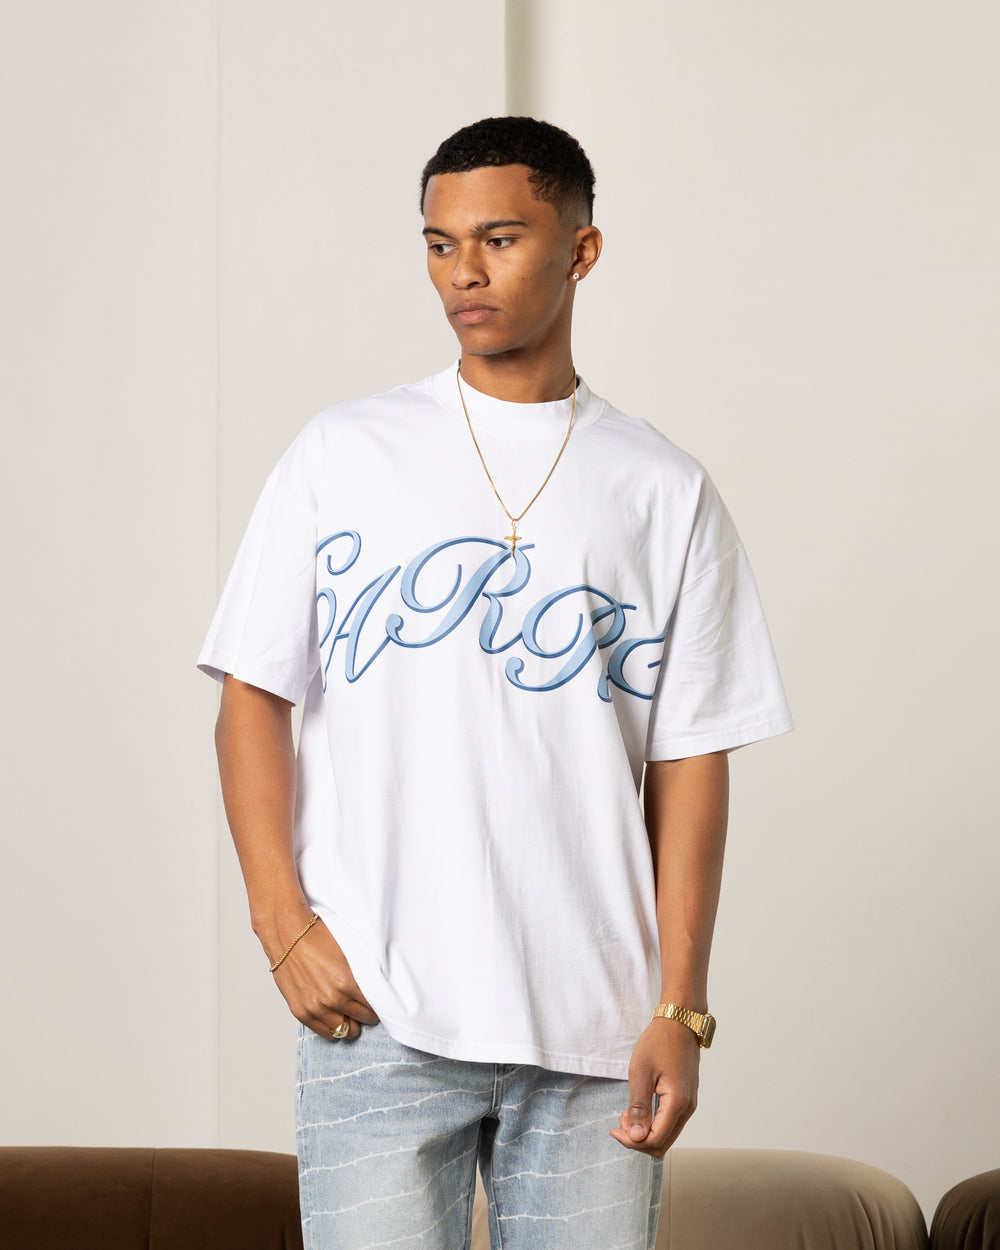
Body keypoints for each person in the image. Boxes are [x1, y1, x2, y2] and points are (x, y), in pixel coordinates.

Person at [198, 115, 793, 1250]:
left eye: (500, 239)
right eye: (439, 243)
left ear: (582, 249)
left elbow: (691, 762)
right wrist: (283, 925)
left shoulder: (662, 488)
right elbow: (250, 698)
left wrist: (682, 1007)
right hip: (376, 1012)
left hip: (596, 1029)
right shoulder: (343, 452)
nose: (462, 272)